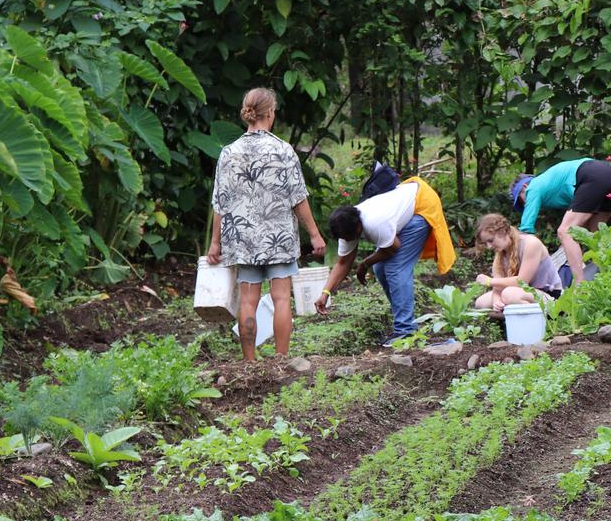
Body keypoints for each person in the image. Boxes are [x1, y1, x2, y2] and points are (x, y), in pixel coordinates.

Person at [206, 88, 326, 361]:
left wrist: (215, 242)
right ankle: (282, 359)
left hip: (243, 238)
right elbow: (298, 198)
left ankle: (249, 361)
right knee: (281, 298)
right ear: (270, 113)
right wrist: (315, 234)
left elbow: (220, 202)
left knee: (247, 300)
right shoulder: (282, 150)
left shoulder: (228, 153)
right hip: (278, 237)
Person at [317, 176, 455, 346]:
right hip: (408, 200)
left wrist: (365, 263)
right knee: (380, 268)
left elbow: (393, 247)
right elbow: (343, 263)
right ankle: (404, 320)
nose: (349, 240)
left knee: (395, 267)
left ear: (358, 227)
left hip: (422, 204)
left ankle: (405, 330)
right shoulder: (345, 226)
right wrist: (325, 293)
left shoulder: (374, 224)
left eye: (351, 237)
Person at [510, 157, 611, 285]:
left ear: (525, 186)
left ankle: (580, 286)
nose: (524, 204)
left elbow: (526, 232)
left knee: (565, 231)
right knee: (595, 236)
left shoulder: (533, 188)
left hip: (592, 174)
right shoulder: (551, 185)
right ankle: (610, 279)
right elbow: (580, 222)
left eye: (520, 200)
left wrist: (518, 264)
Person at [472, 213, 562, 318]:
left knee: (509, 294)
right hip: (522, 294)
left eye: (491, 240)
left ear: (502, 232)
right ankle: (515, 318)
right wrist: (497, 301)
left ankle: (541, 321)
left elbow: (522, 282)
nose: (489, 246)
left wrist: (489, 281)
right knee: (481, 304)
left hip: (549, 296)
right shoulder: (500, 253)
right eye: (486, 243)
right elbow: (498, 286)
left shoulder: (531, 243)